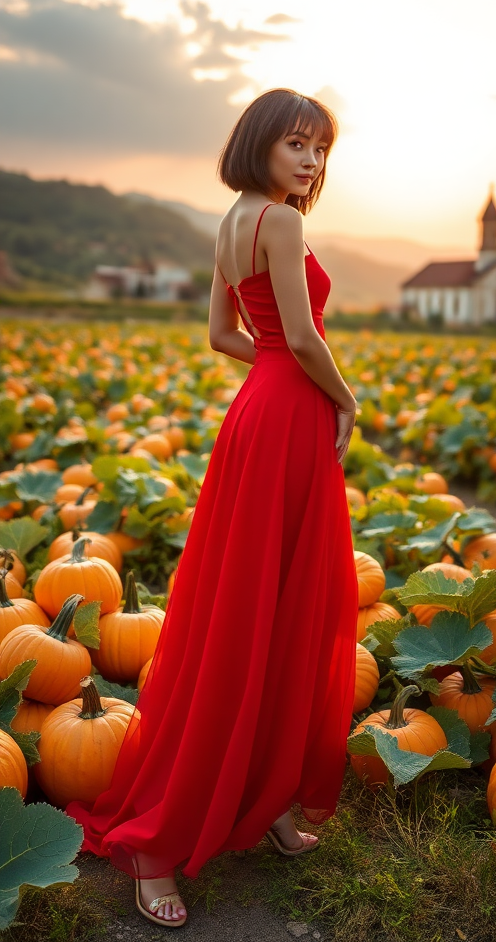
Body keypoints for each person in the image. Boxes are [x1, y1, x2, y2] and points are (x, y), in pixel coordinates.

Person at [66, 87, 359, 929]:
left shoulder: (234, 219)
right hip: (290, 411)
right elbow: (302, 339)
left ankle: (261, 793)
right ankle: (156, 849)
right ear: (260, 144)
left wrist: (276, 372)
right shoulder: (284, 222)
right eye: (296, 145)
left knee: (260, 604)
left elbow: (225, 336)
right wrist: (345, 401)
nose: (310, 162)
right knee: (262, 611)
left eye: (320, 150)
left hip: (258, 414)